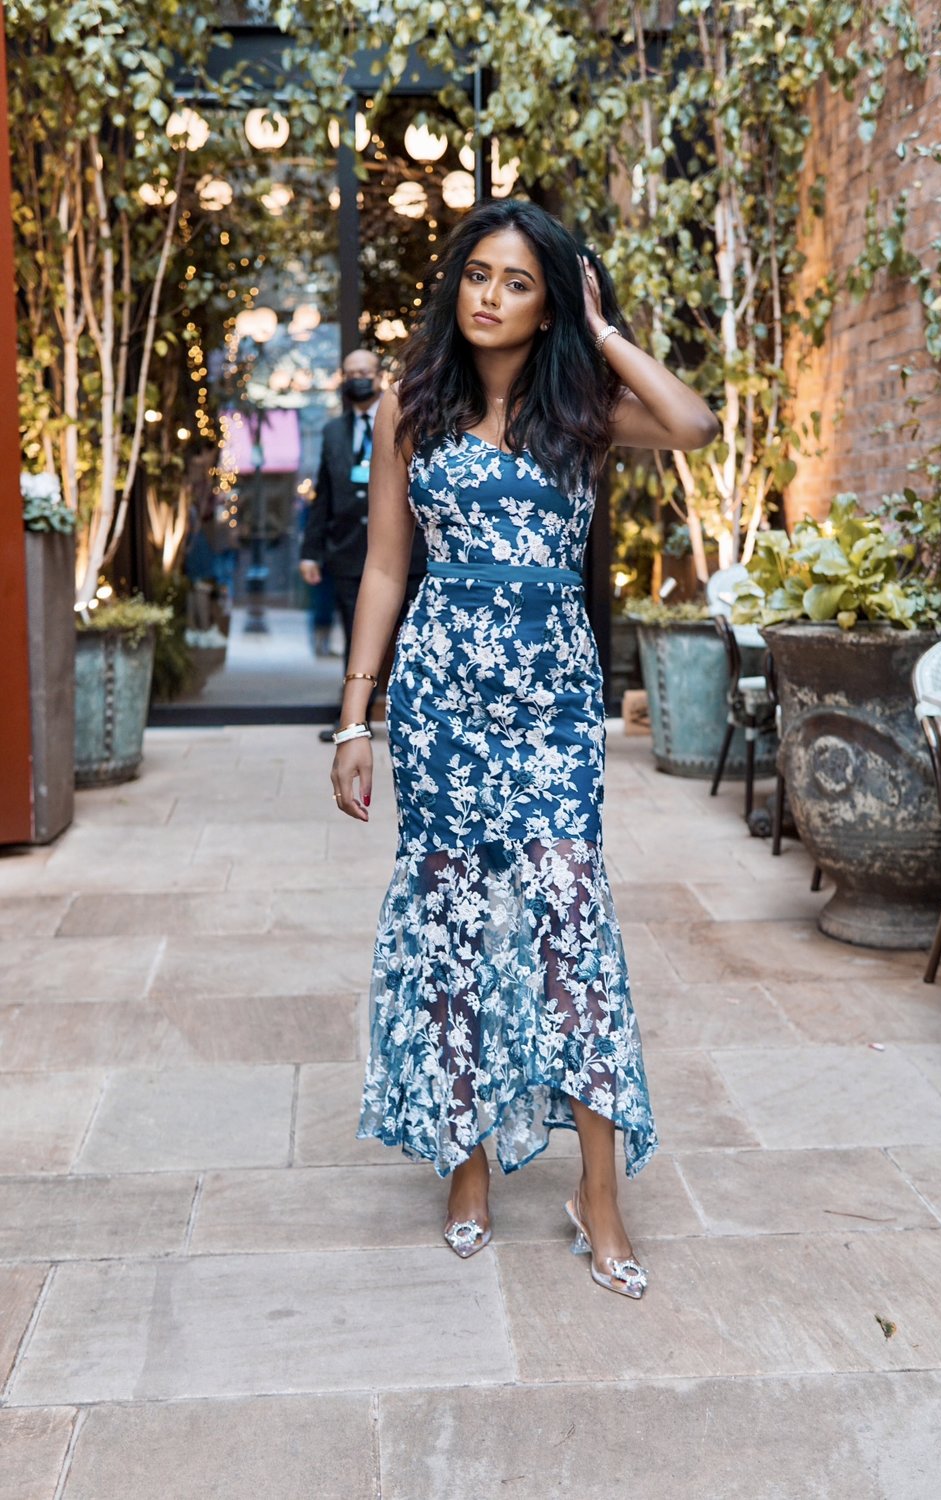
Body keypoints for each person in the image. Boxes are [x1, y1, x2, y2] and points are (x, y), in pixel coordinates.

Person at [330, 199, 719, 1300]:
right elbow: (382, 572)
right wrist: (358, 717)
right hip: (444, 697)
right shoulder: (410, 409)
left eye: (516, 282)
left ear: (547, 303)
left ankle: (596, 1192)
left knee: (568, 925)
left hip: (551, 703)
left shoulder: (581, 410)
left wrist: (599, 335)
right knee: (453, 921)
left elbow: (690, 425)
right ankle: (465, 1168)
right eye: (477, 276)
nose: (489, 296)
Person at [299, 349, 426, 668]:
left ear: (380, 376)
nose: (358, 380)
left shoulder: (410, 422)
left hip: (411, 557)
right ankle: (355, 714)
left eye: (364, 373)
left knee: (414, 645)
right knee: (358, 644)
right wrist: (310, 551)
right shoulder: (332, 432)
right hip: (350, 553)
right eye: (351, 374)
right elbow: (323, 494)